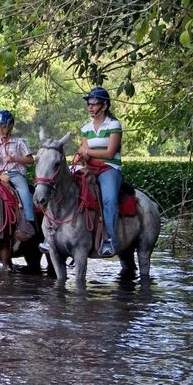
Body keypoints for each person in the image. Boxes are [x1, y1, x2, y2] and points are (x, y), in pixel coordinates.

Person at [77, 86, 122, 257]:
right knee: (64, 187)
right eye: (89, 103)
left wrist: (87, 153)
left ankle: (109, 240)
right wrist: (83, 156)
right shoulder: (85, 128)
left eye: (94, 104)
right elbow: (84, 152)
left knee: (109, 200)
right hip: (90, 168)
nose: (90, 107)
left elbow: (110, 152)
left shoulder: (114, 125)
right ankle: (54, 234)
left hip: (109, 168)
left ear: (104, 106)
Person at [0, 109, 36, 241]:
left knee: (25, 193)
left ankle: (29, 221)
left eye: (4, 127)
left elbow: (31, 160)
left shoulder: (20, 142)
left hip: (15, 174)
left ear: (10, 126)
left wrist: (15, 159)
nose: (1, 130)